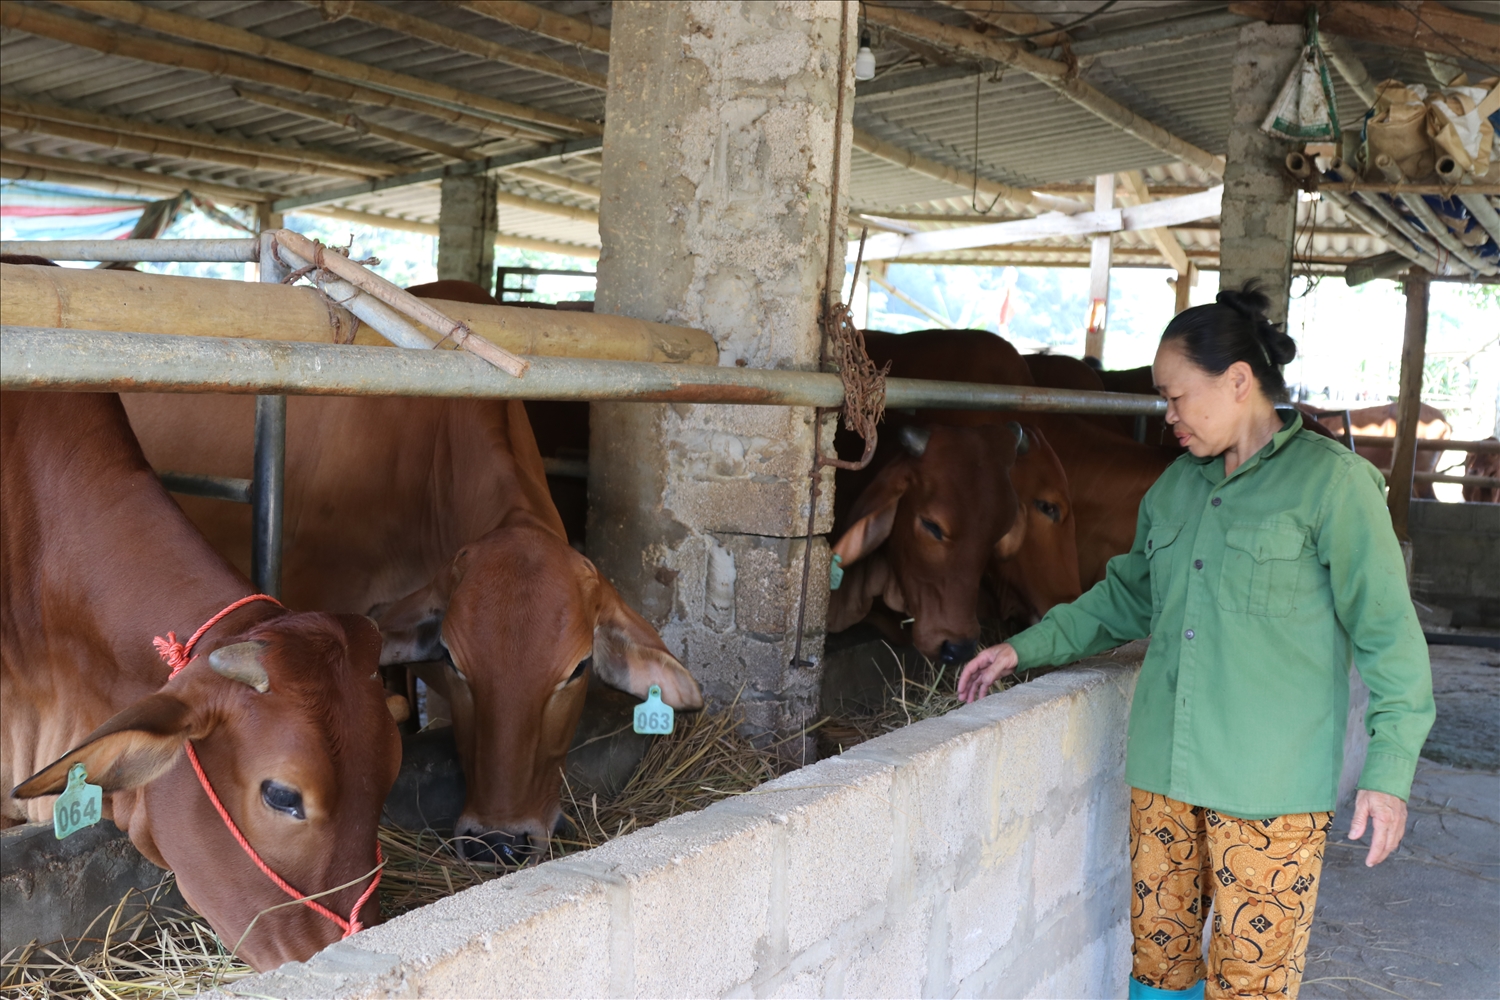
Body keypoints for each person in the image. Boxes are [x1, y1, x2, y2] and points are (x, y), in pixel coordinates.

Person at [958, 285, 1434, 1000]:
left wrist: (1389, 776)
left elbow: (1390, 640)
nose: (1167, 415)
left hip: (1269, 789)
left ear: (1238, 381)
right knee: (1158, 969)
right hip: (1164, 777)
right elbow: (1127, 595)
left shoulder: (1333, 487)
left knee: (1251, 983)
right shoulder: (1176, 488)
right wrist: (1026, 647)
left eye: (1177, 397)